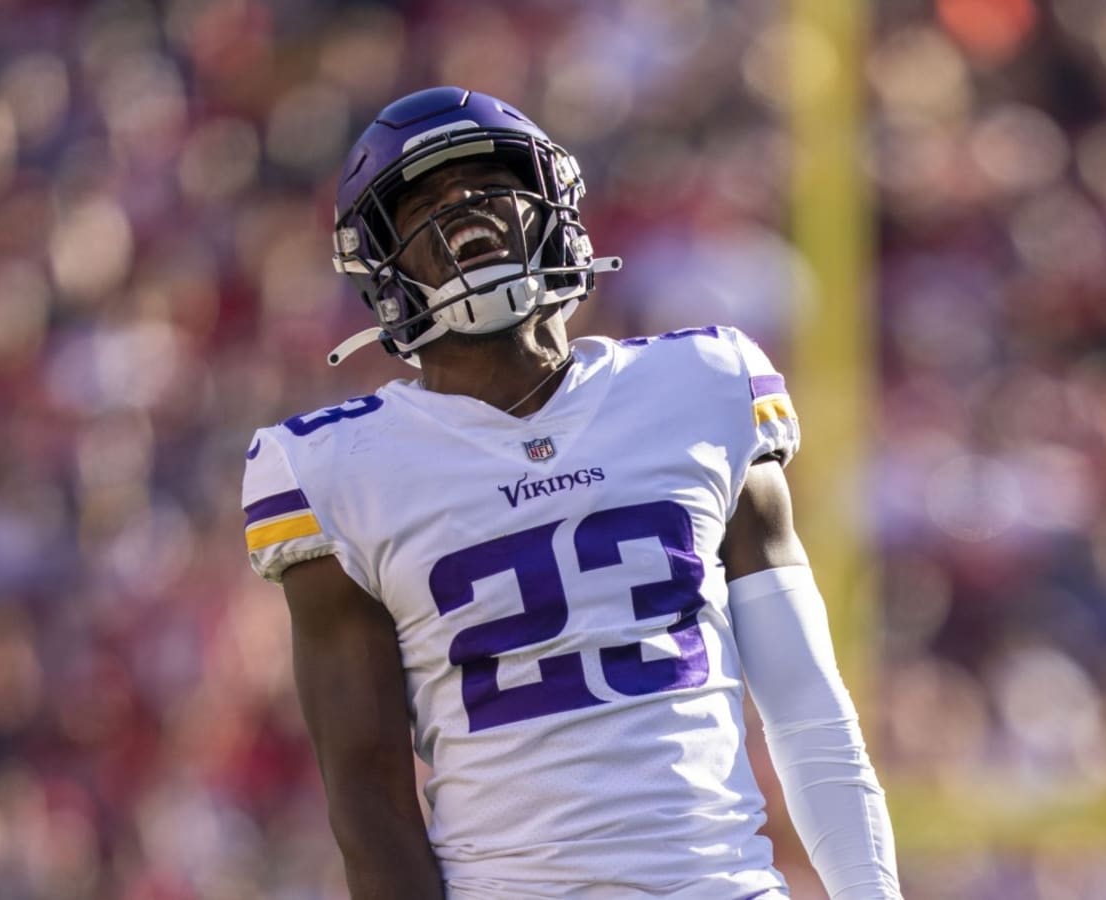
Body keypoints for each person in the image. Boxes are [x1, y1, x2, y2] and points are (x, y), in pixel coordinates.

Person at [242, 86, 902, 899]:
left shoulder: (703, 385)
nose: (464, 213)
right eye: (425, 204)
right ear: (382, 264)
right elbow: (368, 797)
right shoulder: (336, 470)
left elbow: (808, 707)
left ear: (555, 206)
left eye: (488, 187)